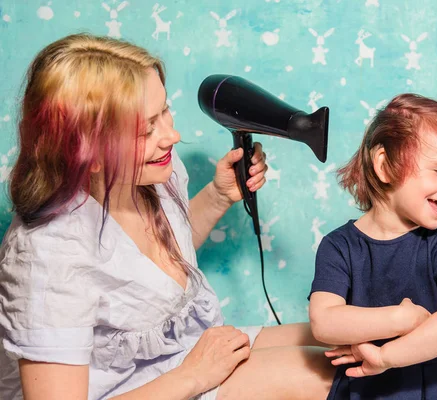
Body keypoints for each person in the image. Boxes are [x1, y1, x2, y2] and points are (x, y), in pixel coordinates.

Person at [0, 33, 335, 400]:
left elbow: (152, 272)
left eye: (164, 111)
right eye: (146, 129)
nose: (171, 135)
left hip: (183, 354)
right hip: (149, 386)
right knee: (326, 381)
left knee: (341, 340)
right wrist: (193, 376)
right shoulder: (48, 257)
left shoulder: (152, 172)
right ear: (84, 151)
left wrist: (218, 196)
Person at [308, 93, 437, 399]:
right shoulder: (338, 246)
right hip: (366, 387)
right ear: (385, 165)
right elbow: (324, 321)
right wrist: (401, 318)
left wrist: (386, 356)